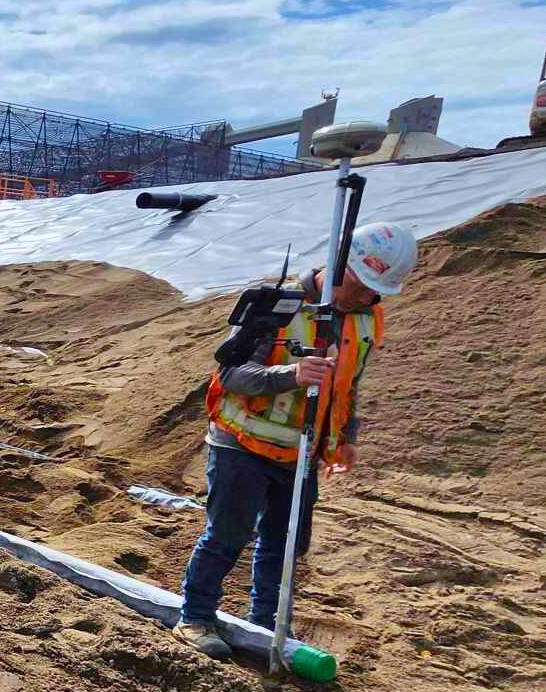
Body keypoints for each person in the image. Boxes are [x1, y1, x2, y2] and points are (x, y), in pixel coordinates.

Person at [174, 222, 418, 659]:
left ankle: (264, 627)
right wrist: (291, 375)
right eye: (367, 285)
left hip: (300, 451)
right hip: (241, 442)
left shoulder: (367, 316)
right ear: (341, 266)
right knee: (228, 533)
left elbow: (348, 385)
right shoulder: (278, 306)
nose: (372, 297)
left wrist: (344, 437)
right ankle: (195, 616)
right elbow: (230, 375)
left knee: (286, 542)